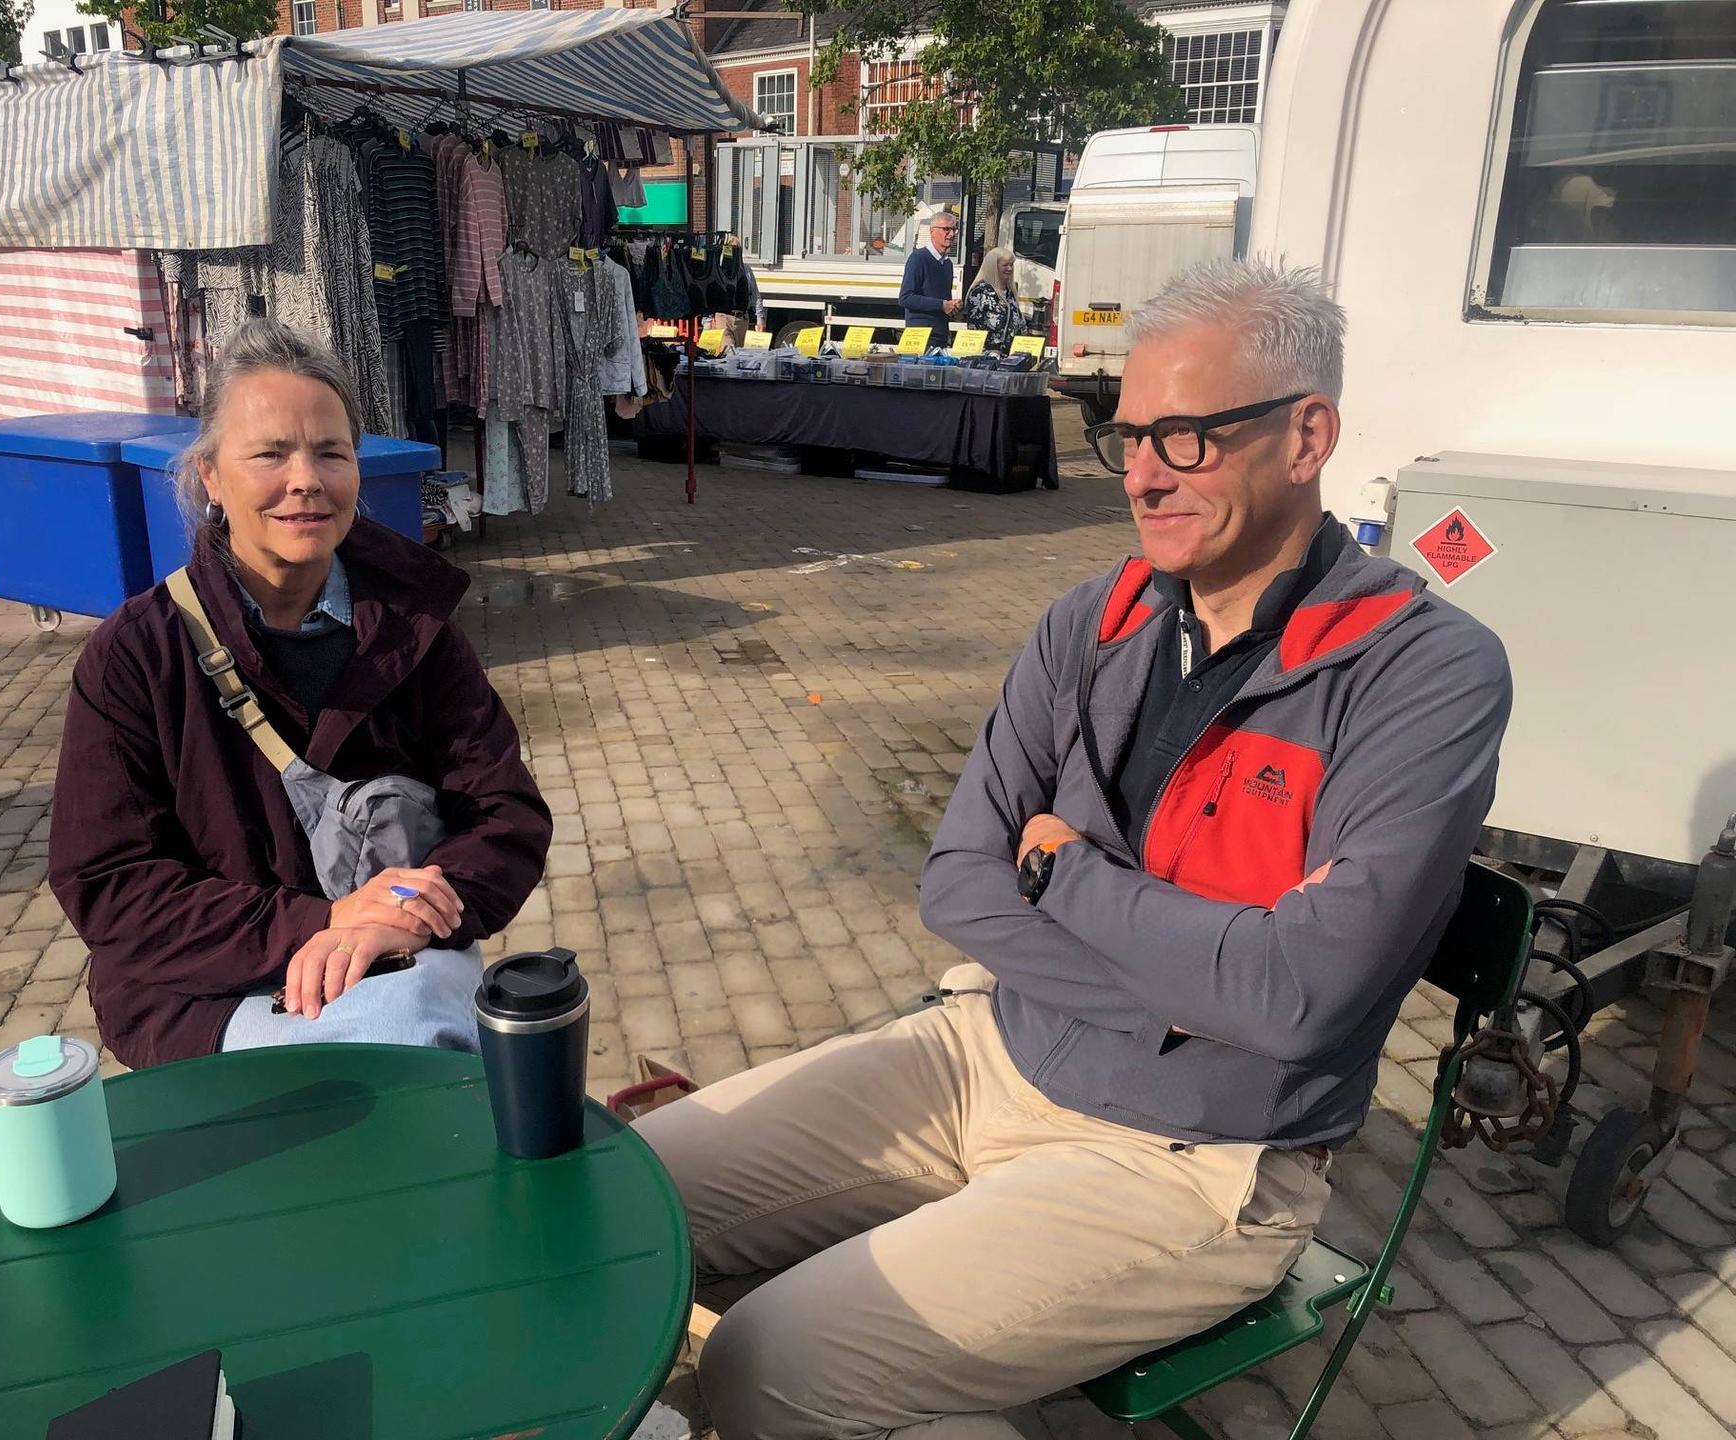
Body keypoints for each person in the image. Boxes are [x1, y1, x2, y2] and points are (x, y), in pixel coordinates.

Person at [635, 257, 1511, 1439]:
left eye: (1188, 437)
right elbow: (956, 881)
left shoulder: (1423, 671)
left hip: (1194, 1154)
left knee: (762, 1367)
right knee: (617, 1201)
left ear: (1308, 437)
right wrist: (1190, 986)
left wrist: (1062, 873)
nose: (1144, 474)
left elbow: (1300, 1001)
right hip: (986, 1051)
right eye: (1129, 431)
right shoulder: (1093, 621)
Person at [49, 320, 552, 1069]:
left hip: (392, 954)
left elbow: (504, 815)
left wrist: (405, 914)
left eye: (330, 452)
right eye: (270, 454)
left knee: (441, 1030)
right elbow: (109, 883)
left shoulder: (417, 630)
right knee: (410, 1042)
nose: (306, 479)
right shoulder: (136, 653)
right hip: (202, 996)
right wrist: (320, 921)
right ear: (211, 475)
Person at [898, 210, 962, 345]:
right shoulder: (918, 258)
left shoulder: (947, 264)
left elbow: (941, 301)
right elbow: (905, 298)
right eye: (946, 229)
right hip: (920, 338)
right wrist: (941, 305)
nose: (951, 234)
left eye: (954, 230)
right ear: (932, 231)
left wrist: (952, 306)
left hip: (940, 335)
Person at [961, 245, 1025, 351]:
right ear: (993, 268)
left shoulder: (1010, 293)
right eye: (1005, 265)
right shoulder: (980, 293)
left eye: (1011, 265)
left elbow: (1020, 325)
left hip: (1010, 358)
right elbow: (974, 329)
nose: (1010, 268)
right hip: (987, 358)